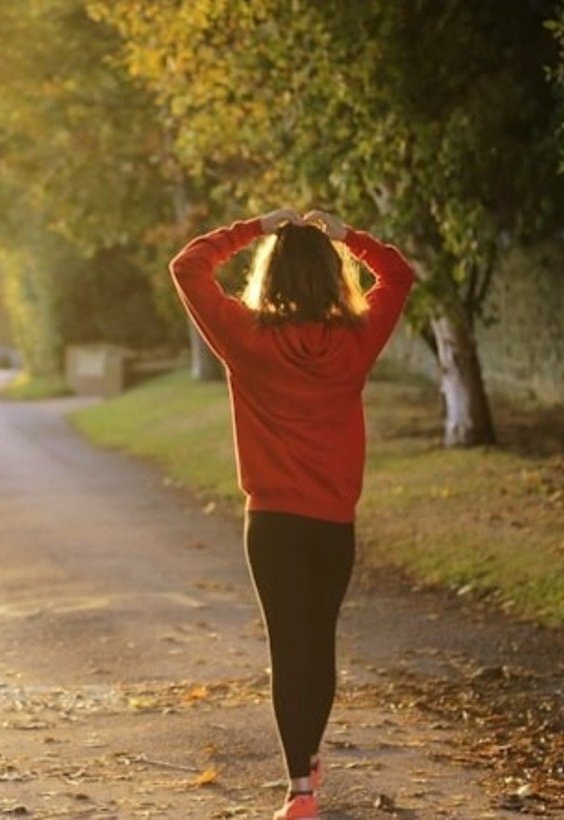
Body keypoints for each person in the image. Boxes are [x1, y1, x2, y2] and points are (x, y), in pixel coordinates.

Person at [169, 207, 415, 820]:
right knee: (319, 643)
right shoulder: (355, 340)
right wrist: (347, 236)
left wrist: (256, 227)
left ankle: (299, 791)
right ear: (333, 278)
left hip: (272, 523)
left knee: (288, 649)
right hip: (332, 523)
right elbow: (399, 275)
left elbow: (188, 265)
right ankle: (309, 760)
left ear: (270, 277)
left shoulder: (246, 338)